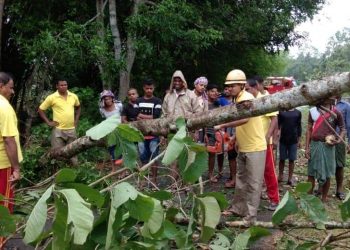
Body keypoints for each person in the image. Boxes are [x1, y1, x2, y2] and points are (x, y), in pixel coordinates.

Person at [215, 69, 266, 222]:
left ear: (242, 85)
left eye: (233, 85)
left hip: (255, 147)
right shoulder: (238, 99)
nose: (229, 88)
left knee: (254, 183)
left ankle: (250, 216)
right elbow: (244, 124)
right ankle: (238, 208)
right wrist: (235, 138)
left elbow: (245, 119)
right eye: (228, 86)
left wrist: (223, 125)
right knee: (241, 180)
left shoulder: (247, 97)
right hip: (244, 146)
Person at [245, 79, 279, 211]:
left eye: (248, 89)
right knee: (253, 173)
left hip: (264, 143)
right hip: (252, 142)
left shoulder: (265, 100)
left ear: (255, 87)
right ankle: (254, 199)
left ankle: (275, 200)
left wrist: (268, 136)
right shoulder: (248, 102)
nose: (246, 91)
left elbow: (274, 118)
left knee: (269, 172)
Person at [305, 97, 345, 202]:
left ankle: (323, 198)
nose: (330, 98)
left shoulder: (336, 112)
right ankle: (309, 198)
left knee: (327, 173)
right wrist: (307, 148)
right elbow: (309, 130)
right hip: (314, 145)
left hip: (328, 146)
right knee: (311, 173)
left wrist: (339, 139)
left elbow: (342, 129)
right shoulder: (312, 111)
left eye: (331, 97)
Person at [162, 70, 201, 178]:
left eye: (179, 80)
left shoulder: (191, 95)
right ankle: (174, 183)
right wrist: (163, 134)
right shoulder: (168, 96)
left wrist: (196, 131)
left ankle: (186, 183)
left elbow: (198, 114)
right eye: (175, 80)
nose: (177, 82)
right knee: (173, 157)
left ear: (183, 81)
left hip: (188, 131)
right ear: (172, 82)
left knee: (187, 157)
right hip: (172, 132)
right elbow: (164, 114)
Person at [38, 78, 81, 166]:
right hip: (58, 130)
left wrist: (76, 120)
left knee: (73, 153)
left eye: (65, 85)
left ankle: (75, 172)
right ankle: (59, 174)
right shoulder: (52, 97)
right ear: (57, 86)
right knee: (58, 154)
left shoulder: (73, 96)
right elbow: (41, 109)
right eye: (61, 85)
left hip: (71, 130)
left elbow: (78, 107)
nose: (64, 87)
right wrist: (48, 122)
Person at [0, 72, 22, 215]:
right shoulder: (5, 108)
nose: (12, 91)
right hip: (3, 166)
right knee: (3, 207)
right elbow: (9, 140)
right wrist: (16, 169)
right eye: (11, 87)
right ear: (1, 87)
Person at [136, 79, 162, 184]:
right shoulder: (138, 101)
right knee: (143, 158)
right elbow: (135, 115)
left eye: (151, 88)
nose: (149, 90)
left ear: (154, 88)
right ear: (143, 88)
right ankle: (143, 181)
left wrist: (141, 116)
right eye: (147, 88)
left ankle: (154, 180)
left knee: (154, 158)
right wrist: (148, 118)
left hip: (154, 135)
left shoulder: (158, 101)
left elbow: (156, 116)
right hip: (140, 135)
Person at [99, 90, 123, 171]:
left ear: (112, 98)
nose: (108, 101)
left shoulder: (119, 105)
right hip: (109, 131)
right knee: (111, 149)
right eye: (105, 99)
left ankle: (123, 170)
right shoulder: (102, 110)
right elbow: (104, 119)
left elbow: (123, 115)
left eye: (109, 98)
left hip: (120, 129)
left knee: (121, 149)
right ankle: (114, 169)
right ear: (103, 100)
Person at [278, 108, 302, 186]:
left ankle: (290, 178)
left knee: (292, 159)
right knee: (282, 158)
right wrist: (277, 135)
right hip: (283, 139)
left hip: (293, 139)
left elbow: (299, 126)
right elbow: (278, 125)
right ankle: (280, 175)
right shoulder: (281, 112)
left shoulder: (298, 113)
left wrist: (299, 140)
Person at [205, 84, 224, 182]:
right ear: (207, 92)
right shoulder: (203, 104)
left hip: (215, 131)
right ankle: (206, 175)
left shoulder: (218, 103)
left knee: (215, 153)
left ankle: (215, 173)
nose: (214, 93)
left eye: (216, 91)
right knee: (202, 153)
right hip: (205, 131)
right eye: (212, 91)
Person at [334, 96, 350, 200]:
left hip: (339, 139)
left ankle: (339, 189)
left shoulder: (346, 106)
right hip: (325, 138)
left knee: (339, 164)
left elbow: (348, 125)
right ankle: (321, 187)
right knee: (324, 163)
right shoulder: (325, 103)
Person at [192, 76, 208, 143]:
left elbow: (206, 116)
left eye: (204, 86)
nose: (203, 87)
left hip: (200, 130)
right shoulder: (188, 96)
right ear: (195, 85)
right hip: (188, 128)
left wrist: (206, 134)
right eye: (201, 85)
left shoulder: (204, 99)